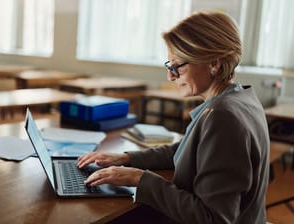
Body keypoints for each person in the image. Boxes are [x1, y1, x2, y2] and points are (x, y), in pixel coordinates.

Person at [78, 11, 270, 224]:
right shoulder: (240, 98)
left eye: (177, 66)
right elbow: (187, 149)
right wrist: (127, 158)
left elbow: (214, 219)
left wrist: (140, 179)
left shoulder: (223, 117)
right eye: (169, 66)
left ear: (214, 63)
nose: (170, 76)